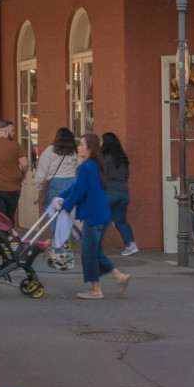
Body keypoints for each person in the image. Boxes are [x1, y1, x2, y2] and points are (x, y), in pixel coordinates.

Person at [55, 133, 130, 300]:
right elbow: (77, 187)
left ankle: (96, 289)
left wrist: (66, 204)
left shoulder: (86, 167)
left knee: (88, 253)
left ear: (90, 148)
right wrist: (62, 197)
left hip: (93, 216)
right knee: (96, 252)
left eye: (82, 144)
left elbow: (80, 191)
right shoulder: (95, 165)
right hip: (103, 215)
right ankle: (120, 276)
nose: (78, 147)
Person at [102, 132, 137, 256]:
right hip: (124, 192)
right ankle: (131, 245)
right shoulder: (122, 157)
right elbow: (126, 175)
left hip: (110, 191)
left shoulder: (105, 157)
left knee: (100, 219)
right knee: (120, 220)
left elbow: (102, 175)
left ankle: (94, 245)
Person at [34, 127, 80, 208]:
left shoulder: (50, 150)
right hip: (72, 182)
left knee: (52, 211)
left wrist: (39, 186)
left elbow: (42, 169)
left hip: (55, 182)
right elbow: (80, 165)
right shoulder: (75, 151)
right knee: (68, 211)